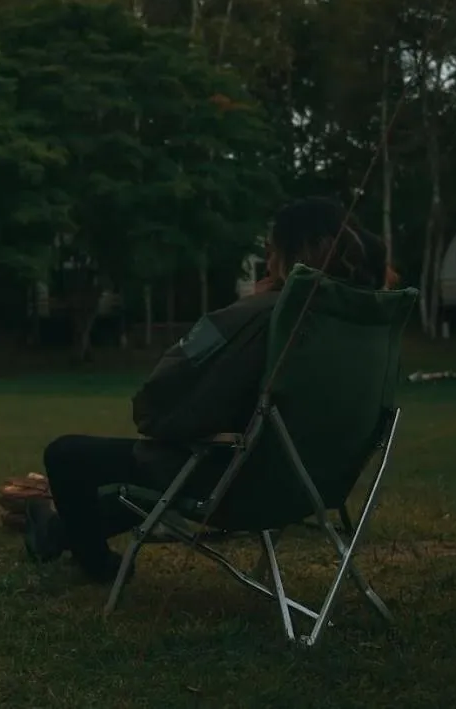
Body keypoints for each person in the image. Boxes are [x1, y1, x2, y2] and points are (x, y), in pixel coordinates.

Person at [23, 197, 391, 584]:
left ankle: (95, 564)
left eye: (271, 252)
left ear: (292, 252)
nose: (267, 265)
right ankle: (52, 533)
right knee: (135, 491)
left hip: (239, 483)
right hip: (315, 484)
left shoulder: (267, 314)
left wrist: (159, 420)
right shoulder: (365, 320)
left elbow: (172, 381)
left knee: (66, 454)